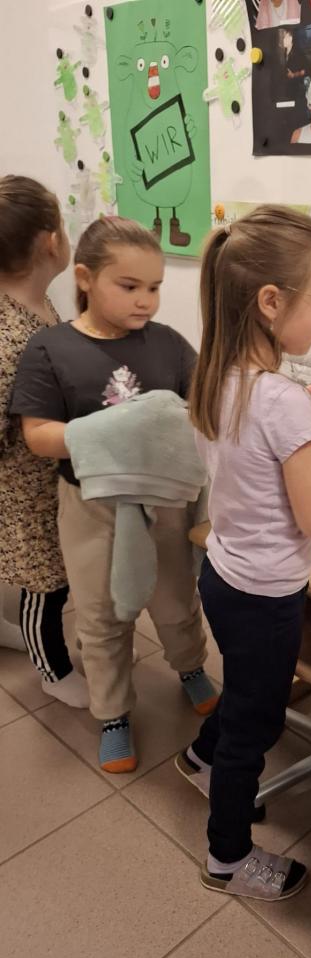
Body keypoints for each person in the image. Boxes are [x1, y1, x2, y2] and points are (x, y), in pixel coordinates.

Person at [174, 207, 311, 901]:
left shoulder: (216, 374)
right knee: (256, 722)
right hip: (266, 595)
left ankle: (199, 758)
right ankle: (228, 858)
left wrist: (304, 419)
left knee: (242, 693)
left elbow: (255, 463)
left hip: (223, 574)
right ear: (270, 302)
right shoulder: (282, 402)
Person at [10, 216, 214, 772]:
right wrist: (121, 427)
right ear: (85, 277)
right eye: (129, 286)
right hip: (91, 506)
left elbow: (204, 404)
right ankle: (114, 712)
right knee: (101, 614)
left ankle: (191, 666)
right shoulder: (50, 349)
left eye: (155, 287)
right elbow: (38, 436)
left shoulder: (168, 344)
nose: (145, 300)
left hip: (164, 502)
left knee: (175, 598)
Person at [0, 175, 89, 707]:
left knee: (54, 575)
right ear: (51, 241)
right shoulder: (8, 335)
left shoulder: (37, 305)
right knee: (45, 587)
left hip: (50, 485)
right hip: (23, 495)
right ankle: (52, 669)